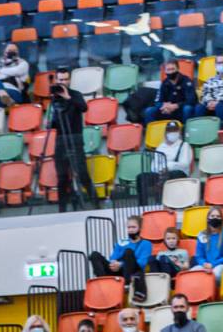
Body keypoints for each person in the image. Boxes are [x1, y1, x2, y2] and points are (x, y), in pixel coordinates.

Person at [47, 67, 95, 211]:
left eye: (65, 79)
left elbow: (83, 107)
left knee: (82, 173)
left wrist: (68, 97)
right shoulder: (54, 98)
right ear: (56, 80)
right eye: (60, 79)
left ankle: (95, 203)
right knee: (62, 177)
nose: (63, 82)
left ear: (69, 80)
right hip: (60, 140)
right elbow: (52, 123)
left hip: (75, 138)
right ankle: (62, 209)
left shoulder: (75, 94)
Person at [90, 215, 152, 281]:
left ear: (140, 228)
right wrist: (113, 264)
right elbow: (113, 257)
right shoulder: (122, 242)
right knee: (94, 255)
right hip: (117, 270)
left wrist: (121, 264)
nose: (131, 230)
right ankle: (102, 281)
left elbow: (142, 263)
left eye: (134, 227)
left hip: (132, 272)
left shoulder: (146, 243)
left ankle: (127, 283)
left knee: (128, 251)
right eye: (129, 227)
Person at [193, 207, 223, 276]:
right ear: (208, 219)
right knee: (192, 272)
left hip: (220, 264)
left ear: (221, 219)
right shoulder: (202, 234)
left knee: (216, 274)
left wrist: (213, 264)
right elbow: (199, 256)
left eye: (218, 216)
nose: (215, 218)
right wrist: (204, 263)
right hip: (205, 265)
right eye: (212, 216)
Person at [0, 44, 30, 109]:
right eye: (10, 50)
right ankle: (2, 93)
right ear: (5, 52)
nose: (12, 52)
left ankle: (3, 100)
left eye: (14, 50)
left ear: (18, 52)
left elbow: (16, 71)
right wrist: (8, 75)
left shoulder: (23, 63)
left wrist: (0, 72)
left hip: (14, 91)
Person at [198, 55, 223, 122]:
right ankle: (201, 127)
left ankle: (222, 127)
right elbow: (205, 93)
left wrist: (217, 102)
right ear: (215, 65)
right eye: (219, 63)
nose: (221, 64)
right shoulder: (210, 80)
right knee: (199, 107)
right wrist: (210, 101)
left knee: (220, 106)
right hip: (212, 105)